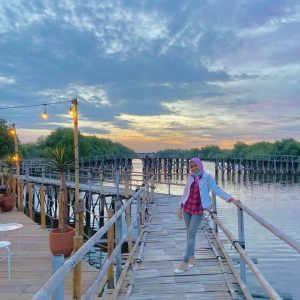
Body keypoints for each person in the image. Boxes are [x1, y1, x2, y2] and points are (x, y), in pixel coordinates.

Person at [174, 157, 240, 273]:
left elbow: (216, 190)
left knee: (191, 234)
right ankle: (191, 258)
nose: (194, 168)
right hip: (187, 207)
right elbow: (185, 193)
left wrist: (231, 199)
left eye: (196, 165)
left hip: (198, 208)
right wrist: (180, 207)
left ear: (200, 165)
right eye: (191, 166)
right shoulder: (190, 177)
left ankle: (184, 262)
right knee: (188, 233)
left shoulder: (207, 177)